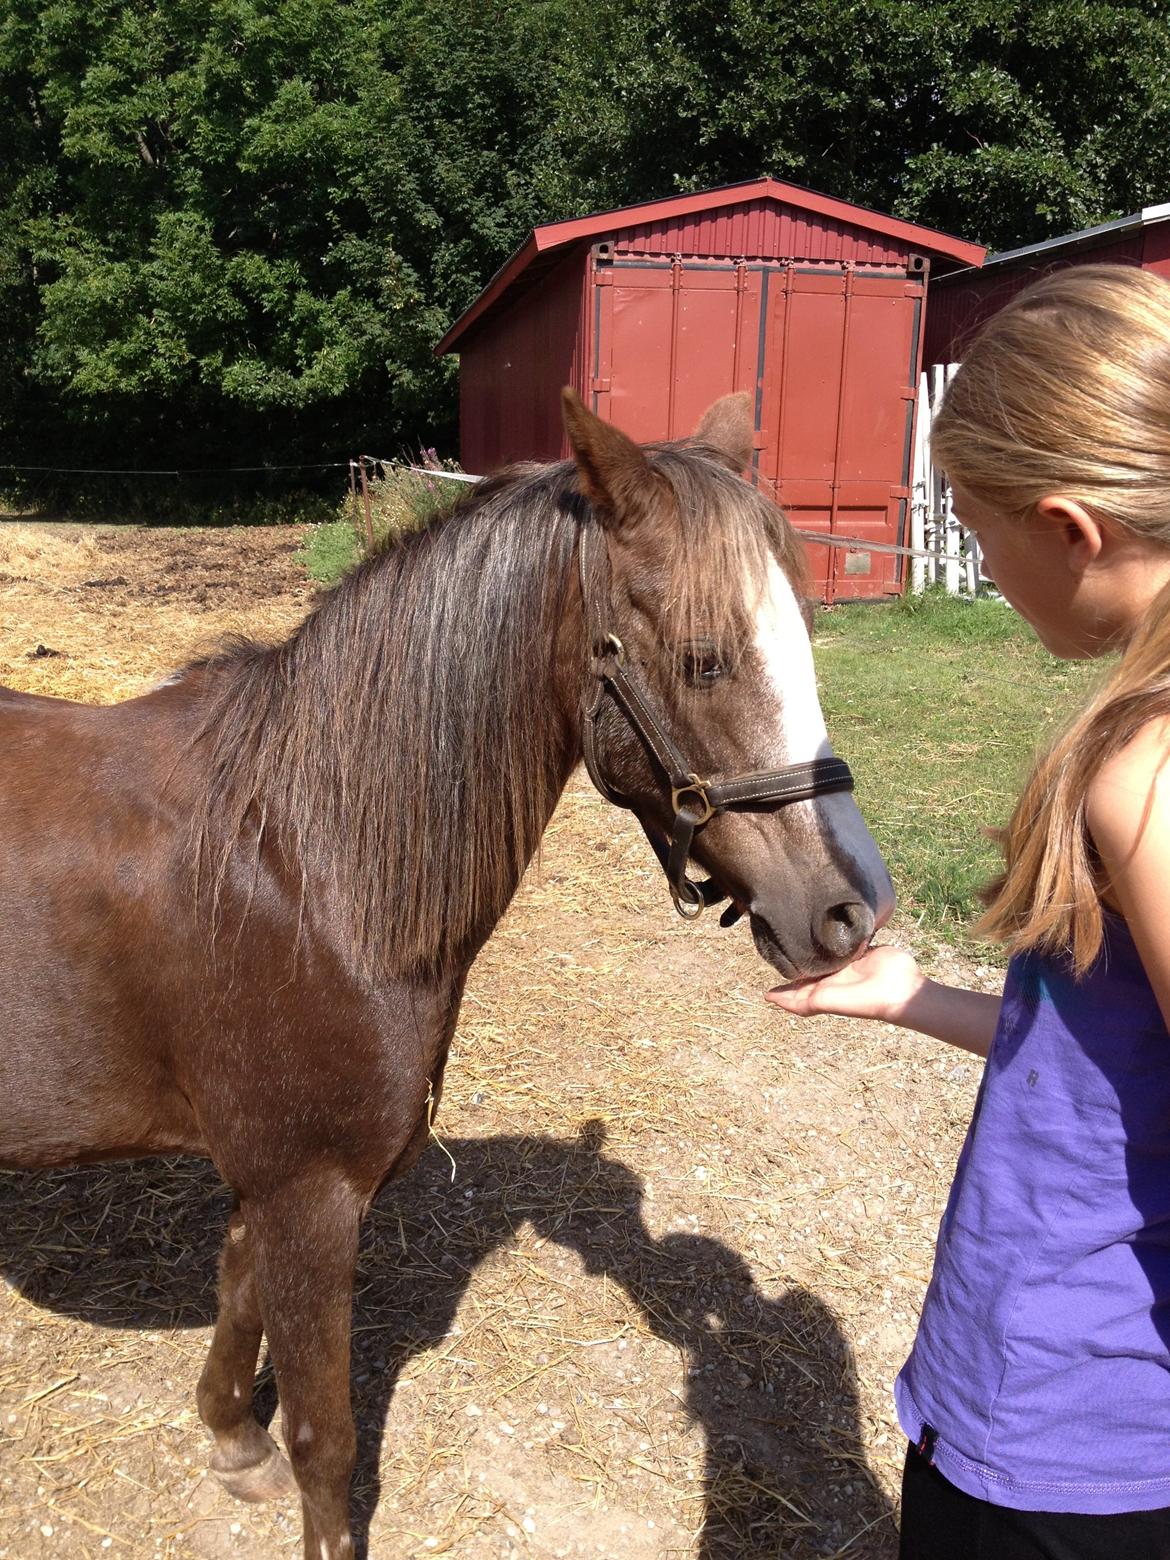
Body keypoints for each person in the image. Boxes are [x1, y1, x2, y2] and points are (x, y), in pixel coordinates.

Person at [767, 263, 1170, 1560]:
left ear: (1068, 526)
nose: (980, 564)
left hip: (1069, 1440)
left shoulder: (1143, 768)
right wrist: (913, 998)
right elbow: (1117, 1063)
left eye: (972, 524)